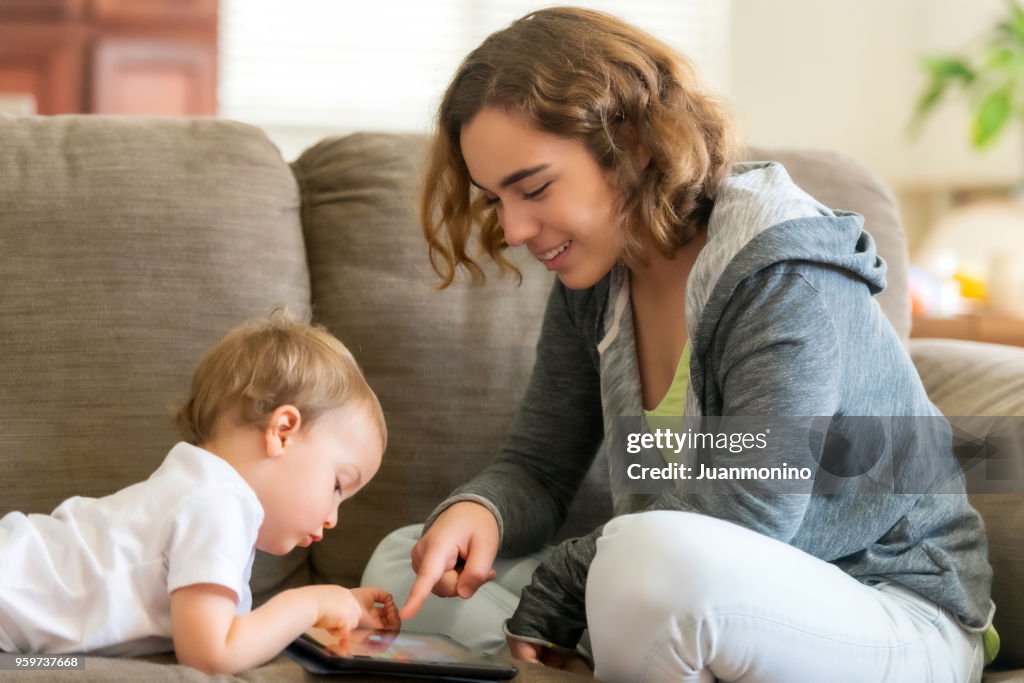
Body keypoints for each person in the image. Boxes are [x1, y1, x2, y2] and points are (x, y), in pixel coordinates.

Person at [362, 7, 995, 683]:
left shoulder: (783, 271)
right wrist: (475, 512)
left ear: (630, 141)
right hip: (685, 588)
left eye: (535, 188)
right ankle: (590, 652)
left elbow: (752, 509)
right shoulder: (595, 281)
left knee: (643, 562)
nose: (514, 229)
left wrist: (567, 579)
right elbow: (539, 468)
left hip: (889, 606)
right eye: (495, 200)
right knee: (406, 564)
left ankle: (597, 644)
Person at [0, 313, 399, 674]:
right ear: (282, 432)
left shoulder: (203, 492)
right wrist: (309, 604)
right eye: (336, 486)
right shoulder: (219, 503)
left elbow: (224, 629)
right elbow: (211, 653)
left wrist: (330, 612)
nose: (332, 517)